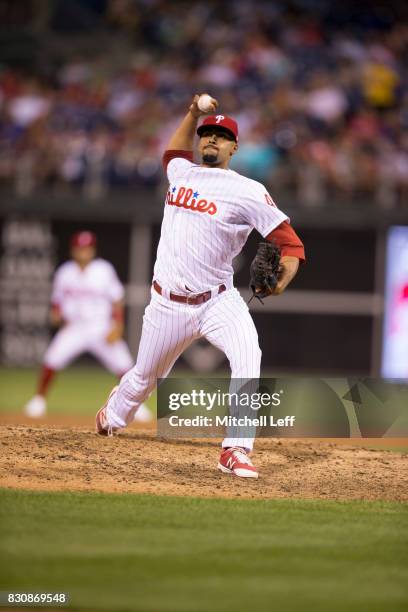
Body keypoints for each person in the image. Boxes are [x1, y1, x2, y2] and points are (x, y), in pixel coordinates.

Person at [96, 94, 305, 478]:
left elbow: (290, 243)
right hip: (167, 305)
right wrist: (193, 113)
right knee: (144, 378)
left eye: (221, 136)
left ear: (234, 147)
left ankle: (236, 448)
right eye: (207, 133)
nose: (212, 139)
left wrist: (281, 282)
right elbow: (170, 153)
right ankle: (112, 414)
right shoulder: (182, 172)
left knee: (249, 355)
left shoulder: (247, 190)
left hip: (217, 301)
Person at [24, 230, 151, 423]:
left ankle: (136, 406)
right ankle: (38, 401)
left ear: (93, 250)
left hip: (101, 327)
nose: (84, 252)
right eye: (80, 248)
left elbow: (117, 299)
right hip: (74, 328)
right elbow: (58, 300)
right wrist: (57, 313)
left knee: (124, 366)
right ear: (73, 250)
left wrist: (117, 325)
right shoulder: (65, 272)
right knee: (52, 359)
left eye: (87, 248)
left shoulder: (103, 269)